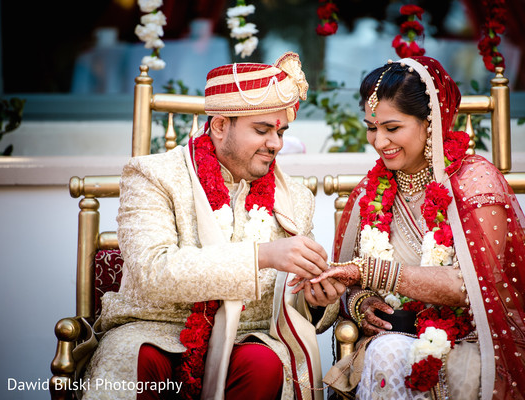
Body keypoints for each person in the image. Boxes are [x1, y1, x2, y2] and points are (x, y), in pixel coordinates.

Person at [305, 57, 525, 399]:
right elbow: (347, 283)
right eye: (371, 128)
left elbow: (474, 285)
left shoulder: (475, 181)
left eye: (392, 127)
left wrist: (373, 271)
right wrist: (360, 301)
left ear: (430, 123)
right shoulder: (367, 194)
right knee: (387, 352)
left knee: (424, 360)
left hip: (477, 337)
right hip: (391, 340)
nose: (379, 141)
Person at [82, 52, 345, 400]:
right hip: (153, 329)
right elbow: (154, 271)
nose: (276, 144)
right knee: (135, 363)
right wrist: (263, 256)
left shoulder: (294, 197)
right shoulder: (153, 176)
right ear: (220, 126)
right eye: (262, 130)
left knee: (265, 364)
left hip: (249, 337)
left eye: (281, 131)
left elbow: (297, 307)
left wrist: (315, 301)